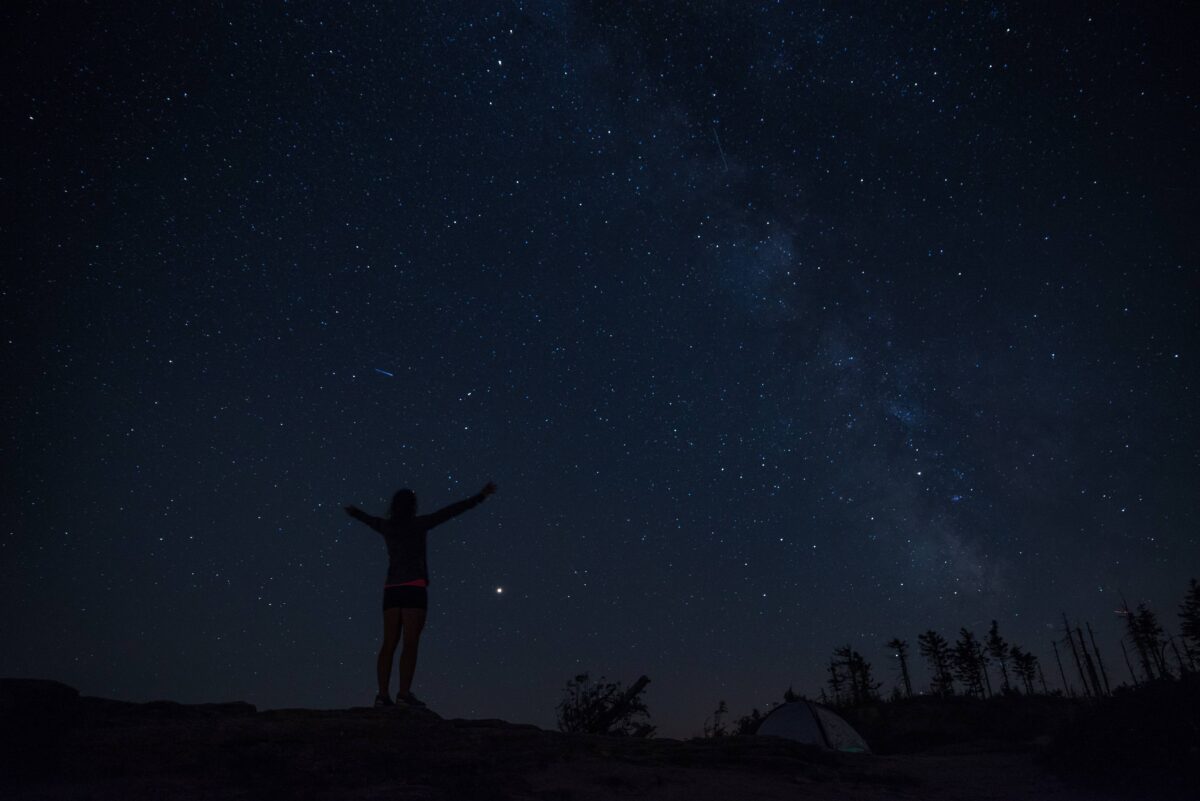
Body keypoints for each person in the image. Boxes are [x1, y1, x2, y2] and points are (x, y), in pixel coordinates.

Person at [345, 481, 497, 708]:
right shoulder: (419, 524)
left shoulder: (387, 527)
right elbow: (450, 511)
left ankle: (382, 696)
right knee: (410, 643)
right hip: (414, 588)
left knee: (388, 643)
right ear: (413, 506)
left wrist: (354, 512)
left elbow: (368, 520)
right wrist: (480, 496)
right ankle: (403, 694)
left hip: (392, 589)